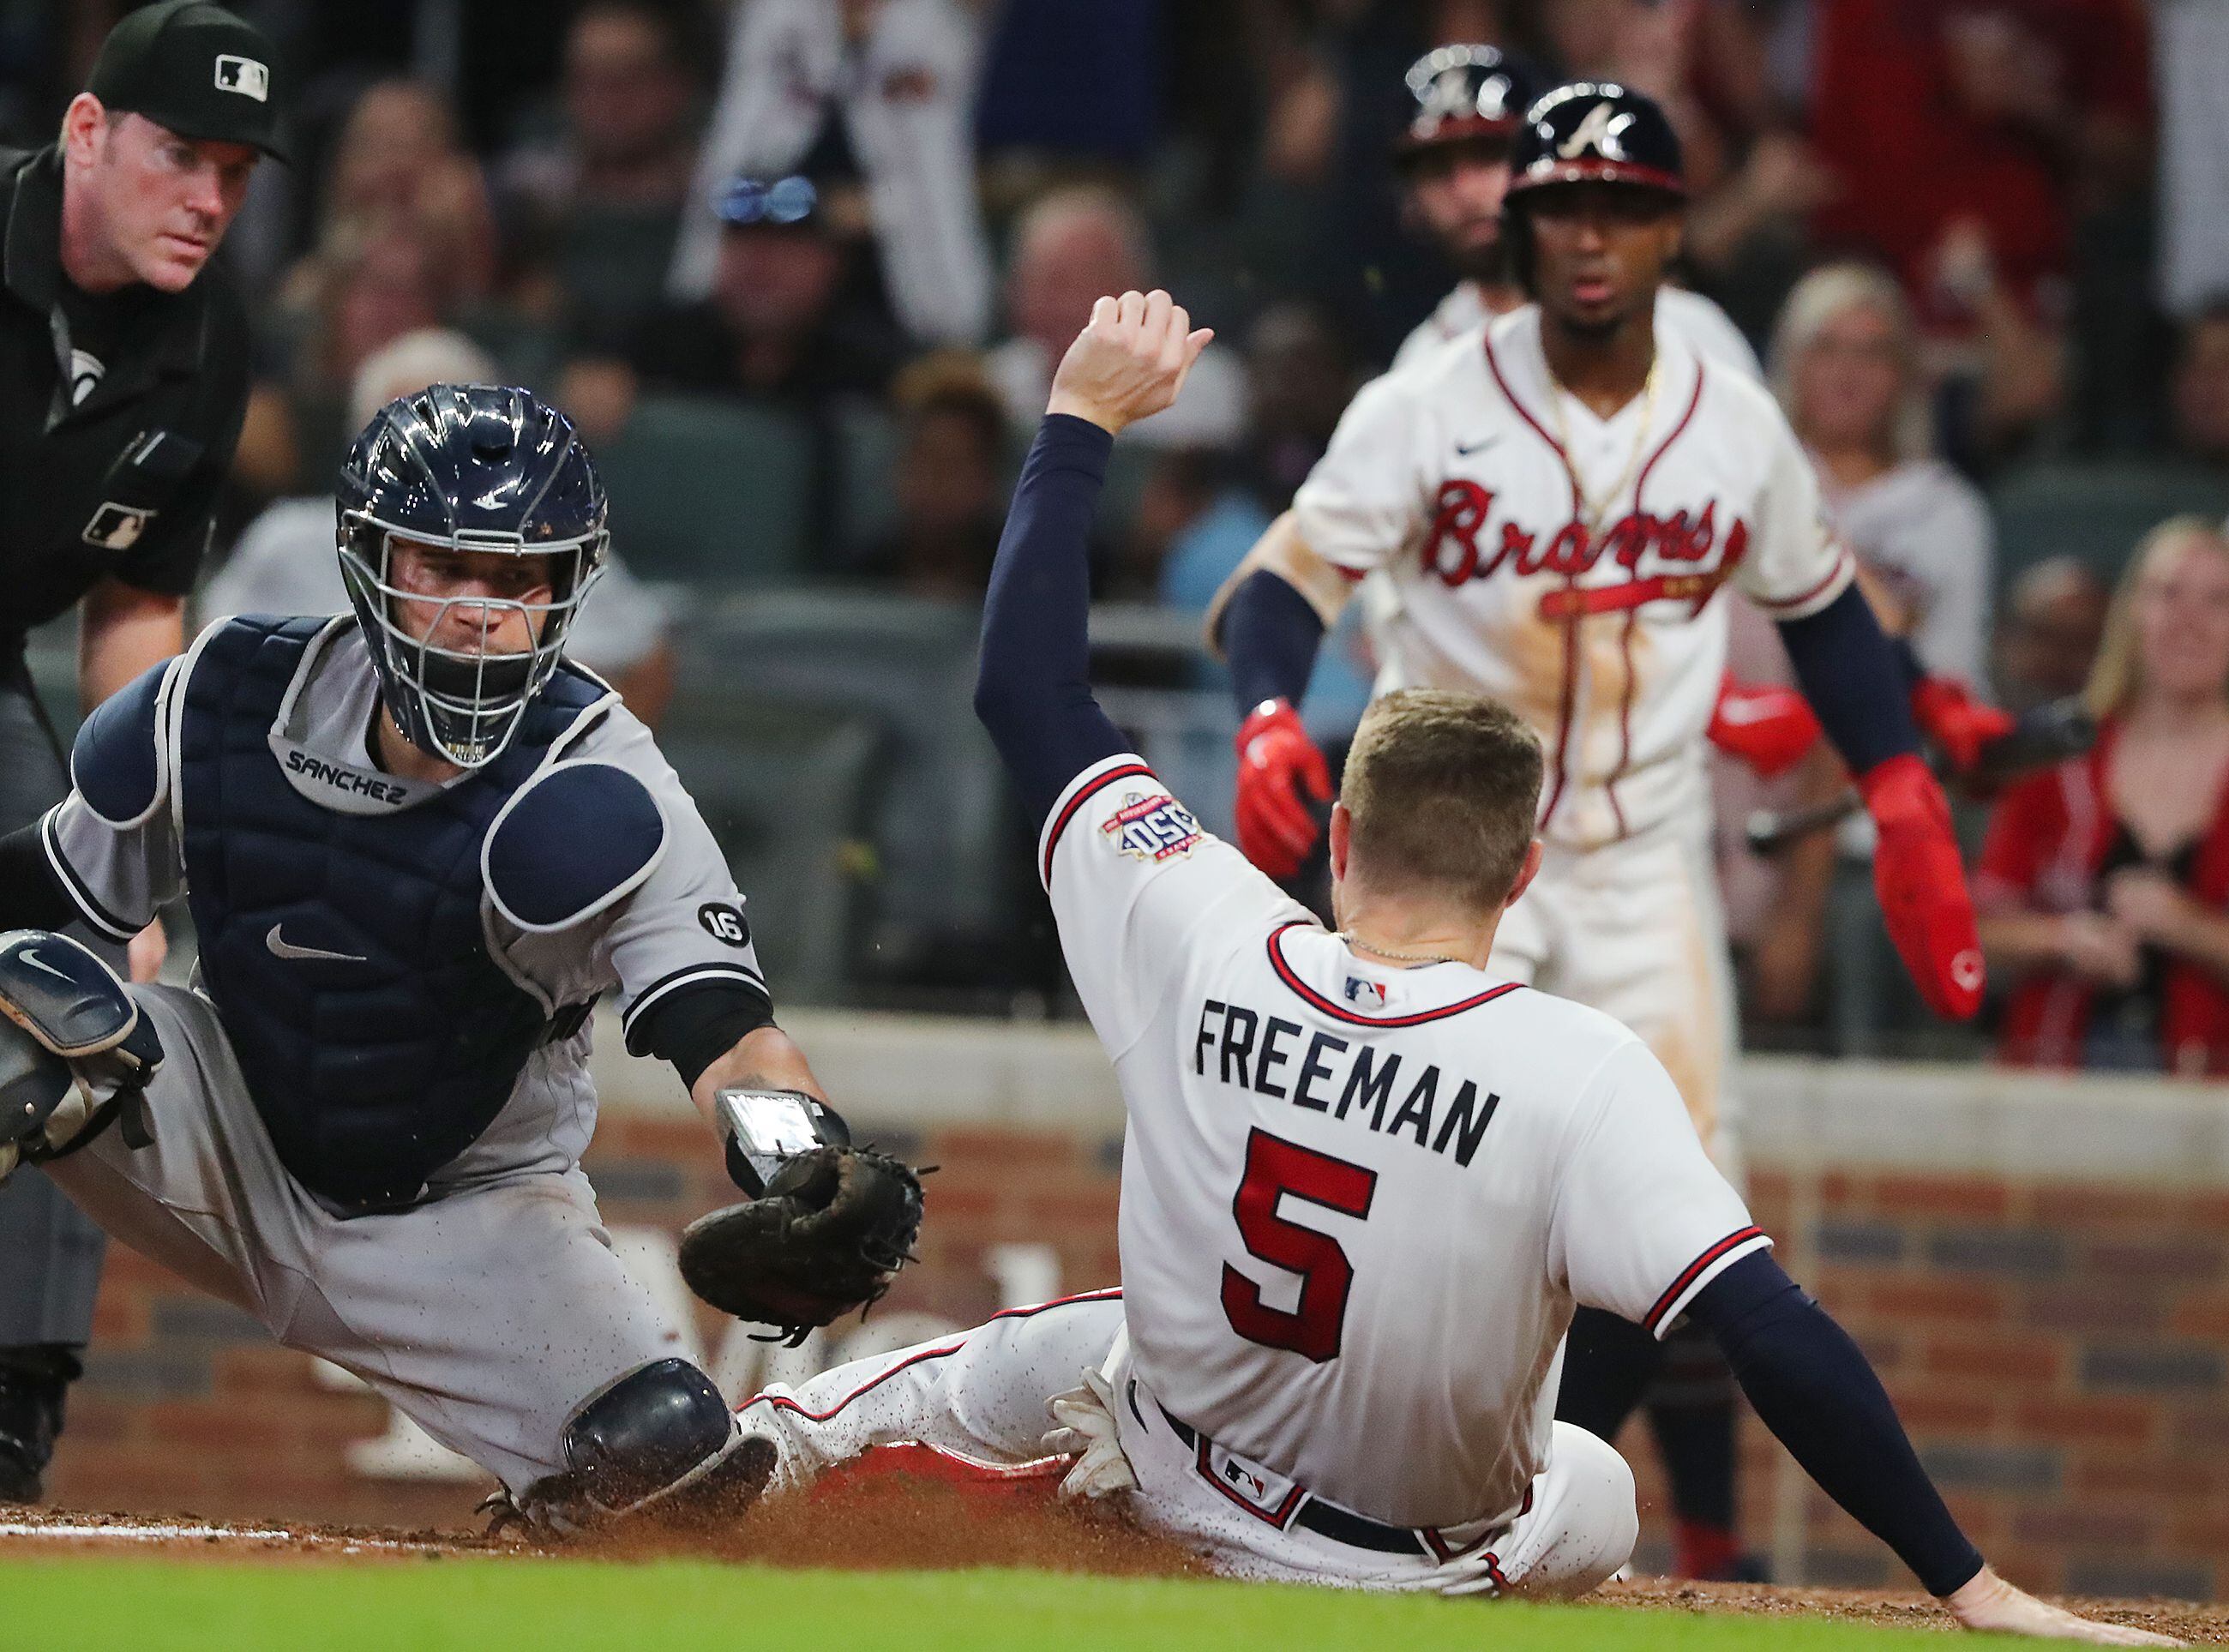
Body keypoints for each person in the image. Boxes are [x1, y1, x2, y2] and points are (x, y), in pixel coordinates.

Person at [722, 286, 2172, 1644]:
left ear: (1341, 835)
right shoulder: (1582, 1066)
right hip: (1418, 1557)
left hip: (1180, 1478)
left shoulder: (1208, 932)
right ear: (1523, 867)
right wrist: (1967, 1583)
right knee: (1594, 1479)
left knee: (1054, 1349)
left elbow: (1025, 687)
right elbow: (1774, 1336)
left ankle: (757, 1450)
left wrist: (1080, 420)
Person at [1208, 81, 1992, 1583]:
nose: (1591, 235)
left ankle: (1487, 1508)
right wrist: (1263, 714)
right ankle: (1331, 1504)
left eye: (1624, 207)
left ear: (1673, 228)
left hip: (1640, 860)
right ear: (1523, 220)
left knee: (1683, 1222)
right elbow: (1276, 591)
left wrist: (1894, 776)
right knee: (1405, 1195)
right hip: (1446, 857)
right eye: (1564, 204)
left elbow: (1820, 608)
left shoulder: (1732, 413)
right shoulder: (1430, 401)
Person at [0, 383, 914, 1528]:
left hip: (470, 1212)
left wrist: (807, 1166)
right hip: (222, 1133)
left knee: (672, 1468)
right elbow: (45, 887)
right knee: (21, 1009)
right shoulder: (227, 698)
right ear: (370, 558)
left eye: (519, 580)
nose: (484, 610)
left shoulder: (606, 787)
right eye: (444, 567)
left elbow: (726, 1028)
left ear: (569, 589)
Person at [0, 0, 285, 1505]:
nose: (210, 200)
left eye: (236, 171)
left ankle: (11, 1390)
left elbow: (139, 608)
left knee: (79, 973)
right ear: (89, 133)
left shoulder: (208, 330)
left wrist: (130, 850)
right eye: (183, 156)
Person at [203, 328, 676, 726]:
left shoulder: (549, 549)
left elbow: (651, 662)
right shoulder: (288, 537)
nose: (431, 461)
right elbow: (214, 659)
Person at [1978, 519, 2229, 1075]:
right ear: (2132, 613)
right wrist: (2063, 939)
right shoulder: (2060, 758)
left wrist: (2187, 926)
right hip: (2058, 1073)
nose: (2189, 620)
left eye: (2218, 600)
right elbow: (1979, 926)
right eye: (2168, 594)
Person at [1386, 45, 1760, 382]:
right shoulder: (1420, 368)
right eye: (1438, 171)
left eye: (1489, 155)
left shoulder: (1693, 332)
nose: (1466, 191)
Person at [670, 0, 990, 348]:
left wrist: (879, 209)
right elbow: (735, 159)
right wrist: (818, 207)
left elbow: (935, 178)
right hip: (779, 244)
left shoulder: (931, 24)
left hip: (888, 290)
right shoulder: (777, 15)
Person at [1772, 262, 1994, 689]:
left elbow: (1954, 668)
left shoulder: (1945, 508)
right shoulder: (1751, 486)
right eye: (1826, 348)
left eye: (1872, 353)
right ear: (1792, 364)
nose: (1847, 372)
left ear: (1903, 375)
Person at [986, 187, 1247, 453]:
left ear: (1139, 287)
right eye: (1051, 284)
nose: (1070, 305)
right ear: (1014, 293)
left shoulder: (1198, 387)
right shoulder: (995, 388)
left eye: (1092, 282)